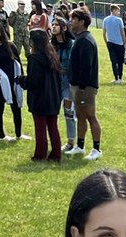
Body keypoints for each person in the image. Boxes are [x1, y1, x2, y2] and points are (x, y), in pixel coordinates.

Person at [24, 26, 62, 160]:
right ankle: (56, 154)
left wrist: (21, 81)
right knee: (53, 127)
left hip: (40, 98)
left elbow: (33, 81)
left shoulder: (35, 59)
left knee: (40, 128)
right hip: (53, 97)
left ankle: (40, 155)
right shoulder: (53, 56)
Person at [67, 8, 101, 158]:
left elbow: (86, 67)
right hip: (78, 85)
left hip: (85, 87)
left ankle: (96, 149)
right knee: (80, 115)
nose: (71, 22)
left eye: (73, 19)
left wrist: (81, 87)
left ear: (81, 22)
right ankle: (80, 146)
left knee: (90, 116)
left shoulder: (86, 41)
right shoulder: (79, 38)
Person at [51, 16, 76, 151]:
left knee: (68, 112)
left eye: (56, 24)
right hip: (54, 83)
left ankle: (71, 141)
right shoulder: (50, 45)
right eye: (52, 24)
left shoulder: (72, 44)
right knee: (53, 111)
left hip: (68, 83)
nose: (53, 26)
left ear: (64, 27)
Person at [102, 3, 124, 83]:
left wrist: (106, 42)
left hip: (110, 42)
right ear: (114, 11)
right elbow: (122, 32)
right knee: (120, 62)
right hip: (119, 43)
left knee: (113, 61)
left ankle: (116, 78)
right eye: (118, 11)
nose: (119, 13)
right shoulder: (119, 20)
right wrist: (124, 41)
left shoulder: (105, 20)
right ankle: (120, 78)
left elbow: (104, 33)